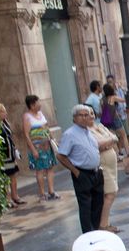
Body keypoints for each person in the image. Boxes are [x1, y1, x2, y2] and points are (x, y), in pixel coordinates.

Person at [56, 105, 104, 233]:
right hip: (82, 174)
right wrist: (76, 171)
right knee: (86, 207)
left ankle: (95, 231)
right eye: (81, 115)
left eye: (87, 115)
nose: (85, 118)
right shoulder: (70, 134)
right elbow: (61, 155)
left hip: (96, 173)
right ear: (74, 118)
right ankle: (88, 235)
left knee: (98, 205)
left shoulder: (89, 131)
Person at [86, 110, 121, 233]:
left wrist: (108, 142)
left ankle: (106, 222)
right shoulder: (87, 132)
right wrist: (109, 141)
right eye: (87, 114)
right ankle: (103, 224)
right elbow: (97, 145)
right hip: (103, 165)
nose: (90, 116)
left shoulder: (99, 126)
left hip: (111, 164)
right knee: (110, 193)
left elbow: (115, 137)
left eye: (91, 113)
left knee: (112, 191)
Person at [22, 94, 59, 201]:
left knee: (50, 167)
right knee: (40, 170)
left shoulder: (41, 114)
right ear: (32, 105)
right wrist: (33, 149)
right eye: (38, 102)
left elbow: (47, 128)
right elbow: (26, 134)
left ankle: (51, 191)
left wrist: (53, 139)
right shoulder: (27, 116)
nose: (40, 104)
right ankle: (42, 193)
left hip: (47, 145)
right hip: (37, 147)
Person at [0, 102, 23, 209]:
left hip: (10, 153)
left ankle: (15, 196)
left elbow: (11, 137)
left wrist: (15, 149)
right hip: (3, 155)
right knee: (5, 178)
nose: (5, 113)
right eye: (3, 112)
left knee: (13, 175)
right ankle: (7, 200)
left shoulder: (5, 123)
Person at [100, 84, 129, 157]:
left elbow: (102, 111)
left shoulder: (102, 100)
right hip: (115, 120)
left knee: (113, 139)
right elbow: (125, 100)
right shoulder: (113, 98)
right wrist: (123, 90)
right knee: (124, 136)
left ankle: (116, 156)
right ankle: (128, 153)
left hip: (106, 121)